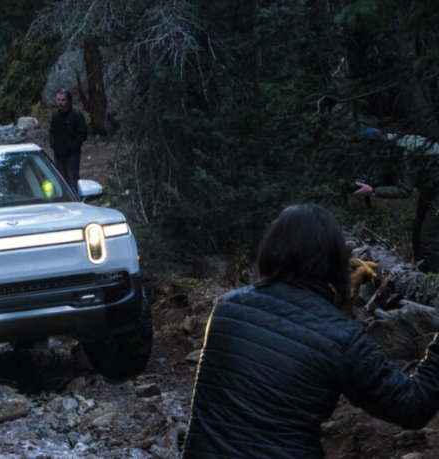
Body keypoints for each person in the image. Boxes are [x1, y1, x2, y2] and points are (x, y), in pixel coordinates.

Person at [182, 203, 439, 458]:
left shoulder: (227, 308)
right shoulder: (341, 337)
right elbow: (414, 407)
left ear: (271, 249)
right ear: (334, 261)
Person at [354, 130, 439, 272]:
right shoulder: (393, 146)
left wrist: (374, 191)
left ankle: (434, 282)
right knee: (417, 237)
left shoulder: (406, 152)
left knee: (428, 239)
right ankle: (419, 277)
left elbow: (405, 190)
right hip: (431, 190)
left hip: (436, 193)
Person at [49, 89, 87, 193]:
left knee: (73, 180)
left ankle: (77, 200)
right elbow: (52, 131)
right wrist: (53, 144)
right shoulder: (55, 116)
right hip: (58, 154)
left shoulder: (76, 115)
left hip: (72, 154)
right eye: (58, 100)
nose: (60, 102)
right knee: (61, 181)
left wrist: (73, 146)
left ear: (68, 101)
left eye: (63, 100)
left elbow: (83, 134)